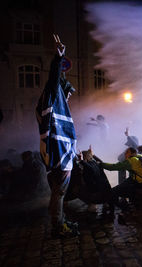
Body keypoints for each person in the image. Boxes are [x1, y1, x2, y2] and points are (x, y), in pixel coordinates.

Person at [35, 34, 78, 237]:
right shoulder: (53, 93)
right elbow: (54, 79)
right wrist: (59, 57)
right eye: (68, 92)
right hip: (58, 154)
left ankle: (60, 221)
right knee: (59, 192)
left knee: (58, 192)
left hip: (58, 152)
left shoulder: (53, 99)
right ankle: (58, 226)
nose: (69, 97)